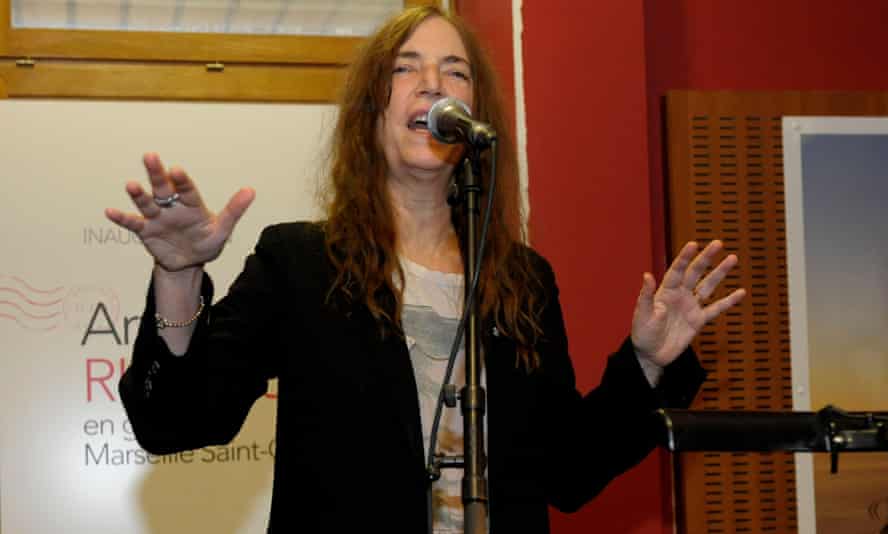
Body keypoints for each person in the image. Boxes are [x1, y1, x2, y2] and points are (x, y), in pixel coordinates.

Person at [107, 6, 745, 534]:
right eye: (405, 68)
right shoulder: (299, 263)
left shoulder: (522, 281)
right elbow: (177, 422)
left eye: (455, 71)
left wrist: (649, 365)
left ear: (476, 115)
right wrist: (181, 274)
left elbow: (567, 472)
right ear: (371, 112)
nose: (432, 83)